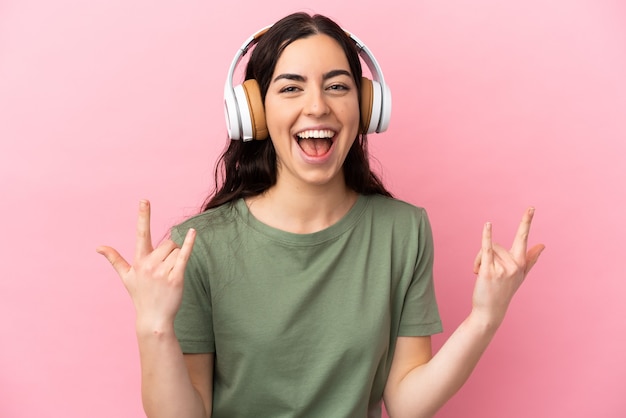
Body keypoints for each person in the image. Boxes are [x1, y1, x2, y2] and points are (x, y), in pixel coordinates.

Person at [97, 11, 545, 418]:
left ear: (367, 107)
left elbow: (409, 403)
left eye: (337, 86)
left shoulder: (403, 231)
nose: (317, 107)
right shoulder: (199, 245)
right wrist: (153, 325)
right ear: (254, 112)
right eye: (291, 88)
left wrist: (485, 317)